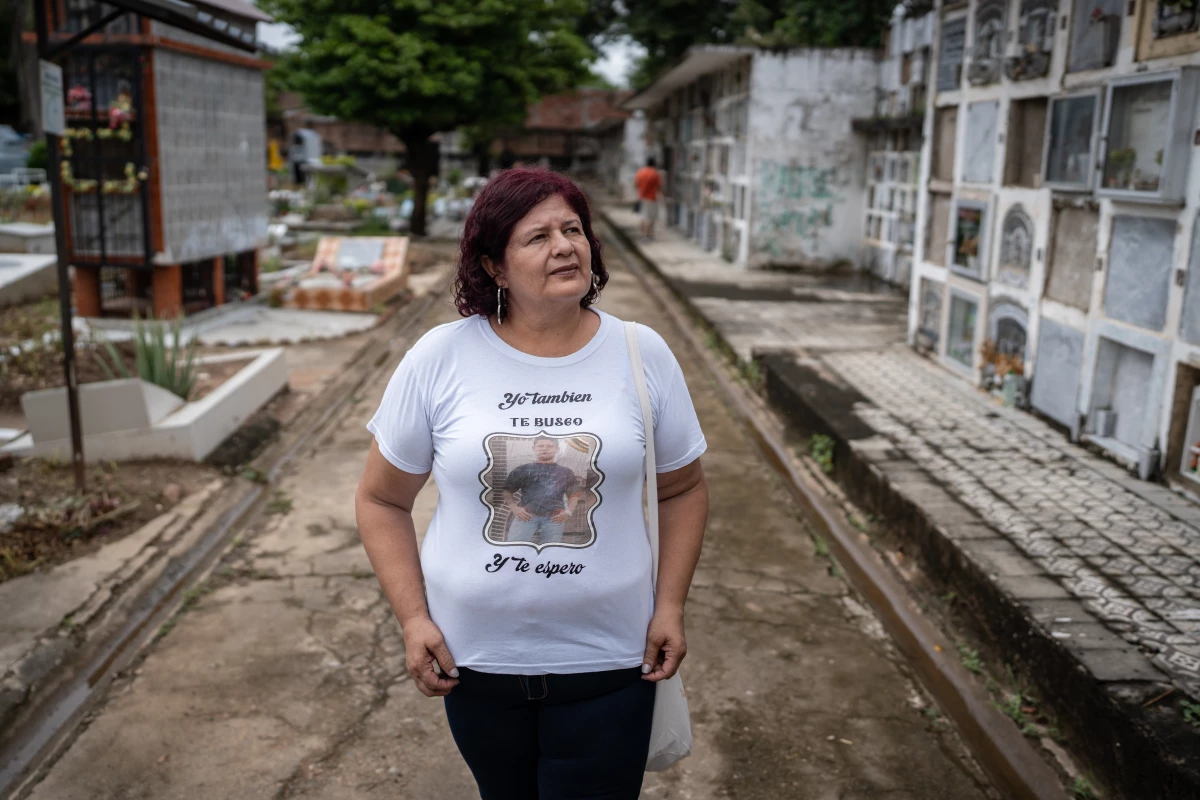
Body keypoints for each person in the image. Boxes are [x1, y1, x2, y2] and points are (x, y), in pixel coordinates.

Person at [356, 167, 709, 800]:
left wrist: (672, 606)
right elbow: (382, 499)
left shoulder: (641, 351)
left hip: (611, 661)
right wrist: (413, 618)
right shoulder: (440, 357)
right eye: (538, 236)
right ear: (494, 266)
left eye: (573, 229)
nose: (565, 246)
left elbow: (682, 487)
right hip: (475, 665)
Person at [503, 435, 584, 545]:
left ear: (557, 449)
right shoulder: (523, 469)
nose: (544, 449)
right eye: (540, 446)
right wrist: (515, 508)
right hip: (527, 515)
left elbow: (574, 494)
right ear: (534, 448)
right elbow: (507, 491)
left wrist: (568, 512)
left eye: (549, 446)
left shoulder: (565, 472)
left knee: (551, 549)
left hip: (555, 518)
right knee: (514, 546)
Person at [634, 157, 662, 241]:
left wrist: (640, 192)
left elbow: (635, 184)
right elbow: (659, 187)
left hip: (641, 197)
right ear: (654, 164)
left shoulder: (640, 172)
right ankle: (648, 235)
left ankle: (642, 235)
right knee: (650, 217)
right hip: (651, 198)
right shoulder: (655, 173)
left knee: (642, 217)